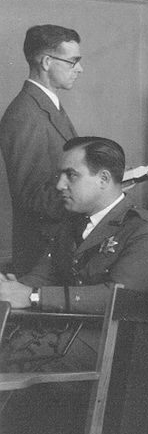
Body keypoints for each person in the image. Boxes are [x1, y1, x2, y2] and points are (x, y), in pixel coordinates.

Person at [0, 137, 148, 316]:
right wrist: (10, 288)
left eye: (71, 175)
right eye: (60, 176)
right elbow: (43, 276)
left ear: (103, 179)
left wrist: (34, 296)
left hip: (108, 338)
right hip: (67, 330)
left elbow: (119, 297)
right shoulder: (71, 221)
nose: (59, 185)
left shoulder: (144, 230)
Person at [0, 25, 82, 275]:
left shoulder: (46, 105)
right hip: (42, 253)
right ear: (47, 62)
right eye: (73, 61)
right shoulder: (25, 115)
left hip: (58, 243)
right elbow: (31, 198)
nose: (79, 69)